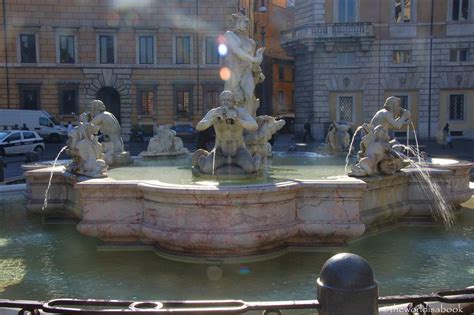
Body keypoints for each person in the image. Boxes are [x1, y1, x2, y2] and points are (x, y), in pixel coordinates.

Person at [193, 90, 261, 174]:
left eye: (228, 100)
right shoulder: (214, 112)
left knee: (250, 169)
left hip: (238, 151)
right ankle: (203, 158)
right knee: (206, 169)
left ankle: (256, 157)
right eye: (223, 100)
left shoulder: (241, 112)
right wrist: (212, 120)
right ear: (220, 101)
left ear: (233, 101)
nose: (225, 102)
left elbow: (254, 126)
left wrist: (239, 120)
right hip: (220, 152)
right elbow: (199, 127)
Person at [223, 11, 265, 117]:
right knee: (232, 98)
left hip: (246, 71)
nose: (246, 25)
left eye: (247, 22)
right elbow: (237, 51)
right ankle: (231, 123)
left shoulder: (251, 42)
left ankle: (249, 123)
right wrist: (255, 59)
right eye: (242, 22)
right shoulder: (229, 35)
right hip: (234, 71)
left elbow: (251, 63)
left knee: (250, 96)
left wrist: (258, 70)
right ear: (236, 23)